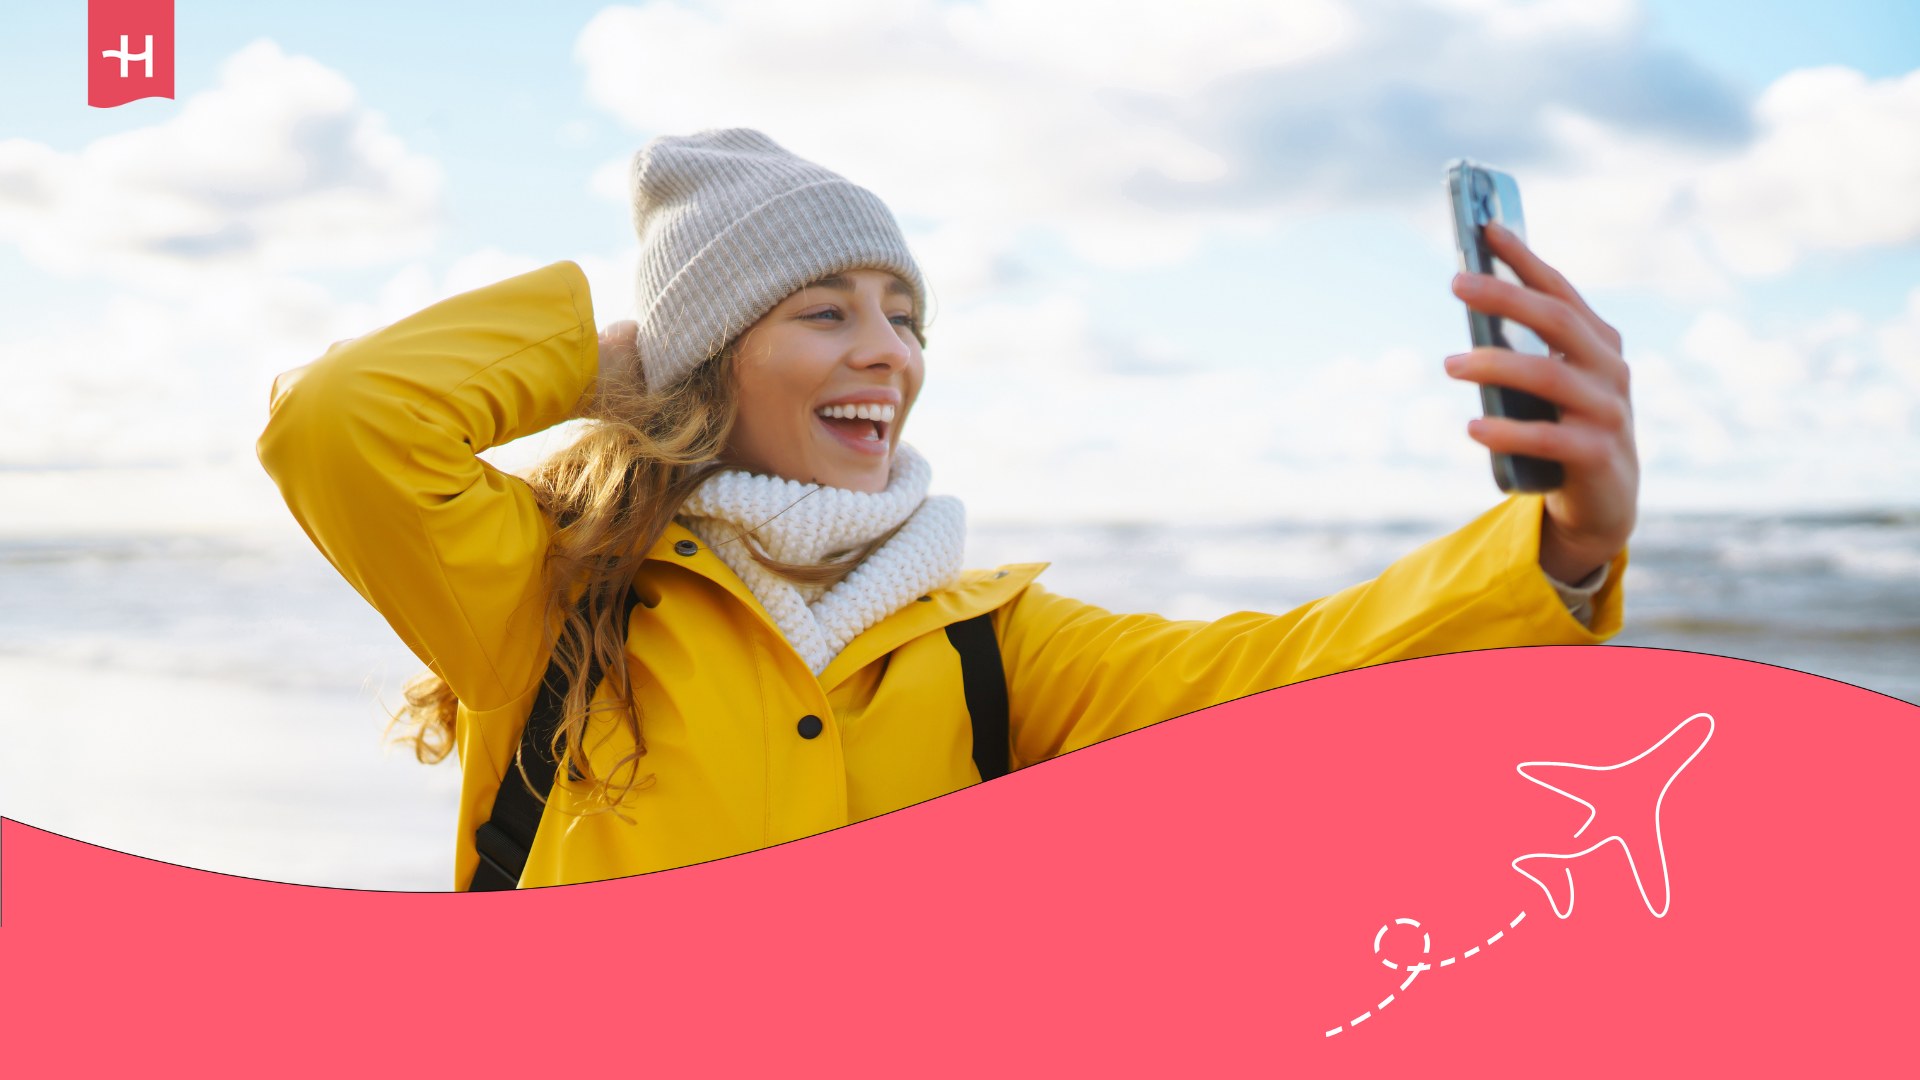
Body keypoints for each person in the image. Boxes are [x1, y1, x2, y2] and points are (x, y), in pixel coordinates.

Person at [257, 129, 1636, 891]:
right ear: (707, 359)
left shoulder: (991, 644)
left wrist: (1560, 554)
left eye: (905, 316)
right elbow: (340, 424)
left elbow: (1273, 684)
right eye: (825, 311)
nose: (890, 353)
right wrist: (609, 359)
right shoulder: (548, 600)